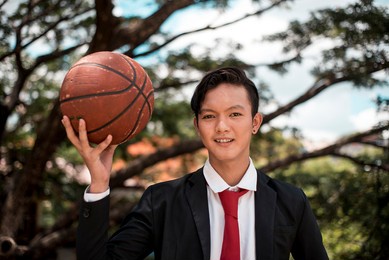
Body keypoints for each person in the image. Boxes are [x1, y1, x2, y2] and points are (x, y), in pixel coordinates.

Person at [62, 67, 329, 260]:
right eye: (210, 116)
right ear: (198, 126)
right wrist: (98, 183)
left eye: (235, 114)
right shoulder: (161, 201)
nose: (222, 127)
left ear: (255, 122)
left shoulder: (291, 201)